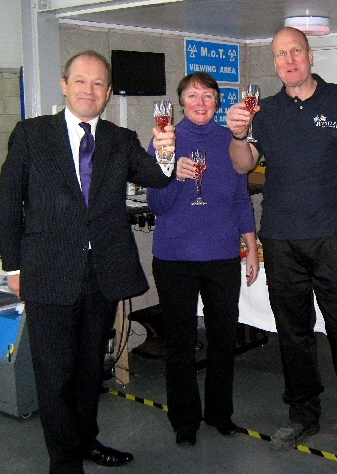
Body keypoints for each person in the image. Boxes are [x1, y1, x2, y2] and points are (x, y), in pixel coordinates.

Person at [0, 50, 175, 474]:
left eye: (98, 84)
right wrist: (14, 267)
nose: (89, 90)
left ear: (108, 92)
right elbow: (8, 204)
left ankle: (87, 440)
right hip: (47, 274)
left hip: (100, 278)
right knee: (54, 374)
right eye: (81, 81)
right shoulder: (30, 134)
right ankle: (64, 462)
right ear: (64, 85)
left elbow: (157, 176)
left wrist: (165, 152)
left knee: (88, 368)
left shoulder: (120, 138)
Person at [225, 26, 337, 463]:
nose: (289, 60)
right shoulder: (265, 111)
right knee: (292, 334)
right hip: (280, 237)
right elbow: (243, 166)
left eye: (295, 51)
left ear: (310, 55)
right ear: (274, 63)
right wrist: (237, 135)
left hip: (333, 234)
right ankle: (303, 413)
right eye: (280, 55)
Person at [146, 71, 259, 447]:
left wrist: (252, 247)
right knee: (180, 342)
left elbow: (242, 199)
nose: (200, 102)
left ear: (217, 102)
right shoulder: (165, 140)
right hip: (174, 256)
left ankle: (219, 413)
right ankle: (184, 421)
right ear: (181, 102)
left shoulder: (231, 141)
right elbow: (157, 205)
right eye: (192, 96)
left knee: (223, 339)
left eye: (208, 96)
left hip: (222, 255)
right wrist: (172, 175)